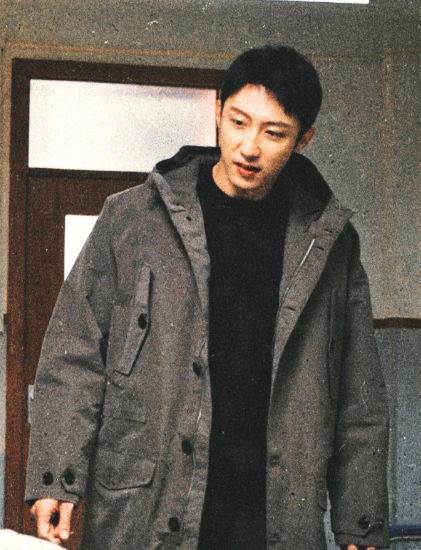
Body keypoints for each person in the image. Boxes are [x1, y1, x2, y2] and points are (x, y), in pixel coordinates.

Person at [26, 45, 390, 550]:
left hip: (272, 512)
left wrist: (361, 520)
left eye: (274, 133)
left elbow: (359, 395)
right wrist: (55, 476)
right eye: (238, 122)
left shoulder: (329, 243)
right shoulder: (132, 219)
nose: (249, 147)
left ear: (304, 138)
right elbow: (74, 354)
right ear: (218, 111)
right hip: (149, 507)